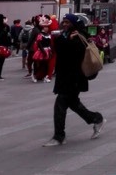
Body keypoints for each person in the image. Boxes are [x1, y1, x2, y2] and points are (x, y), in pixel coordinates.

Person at [42, 14, 105, 147]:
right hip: (66, 77)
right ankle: (96, 118)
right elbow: (59, 48)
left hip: (74, 78)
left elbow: (71, 52)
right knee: (73, 104)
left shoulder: (78, 36)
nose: (64, 24)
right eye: (63, 22)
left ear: (73, 23)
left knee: (60, 104)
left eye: (67, 22)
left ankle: (59, 136)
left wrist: (66, 41)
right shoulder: (66, 35)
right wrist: (65, 40)